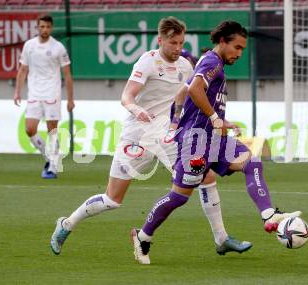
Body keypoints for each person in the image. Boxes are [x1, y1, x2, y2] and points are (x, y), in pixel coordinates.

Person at [50, 17, 251, 259]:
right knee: (112, 199)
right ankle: (67, 224)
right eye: (172, 43)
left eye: (181, 43)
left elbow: (189, 97)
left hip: (168, 136)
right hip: (138, 135)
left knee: (206, 175)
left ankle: (222, 238)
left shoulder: (187, 66)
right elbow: (127, 96)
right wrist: (136, 109)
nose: (177, 48)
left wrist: (203, 121)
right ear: (160, 40)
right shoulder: (147, 62)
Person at [131, 21, 301, 265]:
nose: (239, 53)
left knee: (251, 161)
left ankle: (269, 215)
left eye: (243, 49)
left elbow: (183, 92)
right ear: (223, 41)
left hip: (212, 137)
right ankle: (143, 236)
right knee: (179, 196)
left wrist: (215, 119)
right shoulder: (211, 62)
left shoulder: (211, 62)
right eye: (237, 47)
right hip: (196, 141)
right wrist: (211, 118)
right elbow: (195, 90)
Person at [13, 14, 75, 179]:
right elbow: (23, 70)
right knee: (29, 129)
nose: (45, 29)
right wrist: (17, 91)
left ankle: (53, 167)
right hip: (34, 93)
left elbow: (67, 75)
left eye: (48, 27)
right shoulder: (29, 46)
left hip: (52, 93)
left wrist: (70, 99)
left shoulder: (58, 48)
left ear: (51, 28)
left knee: (52, 131)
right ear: (37, 27)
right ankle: (49, 157)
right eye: (42, 27)